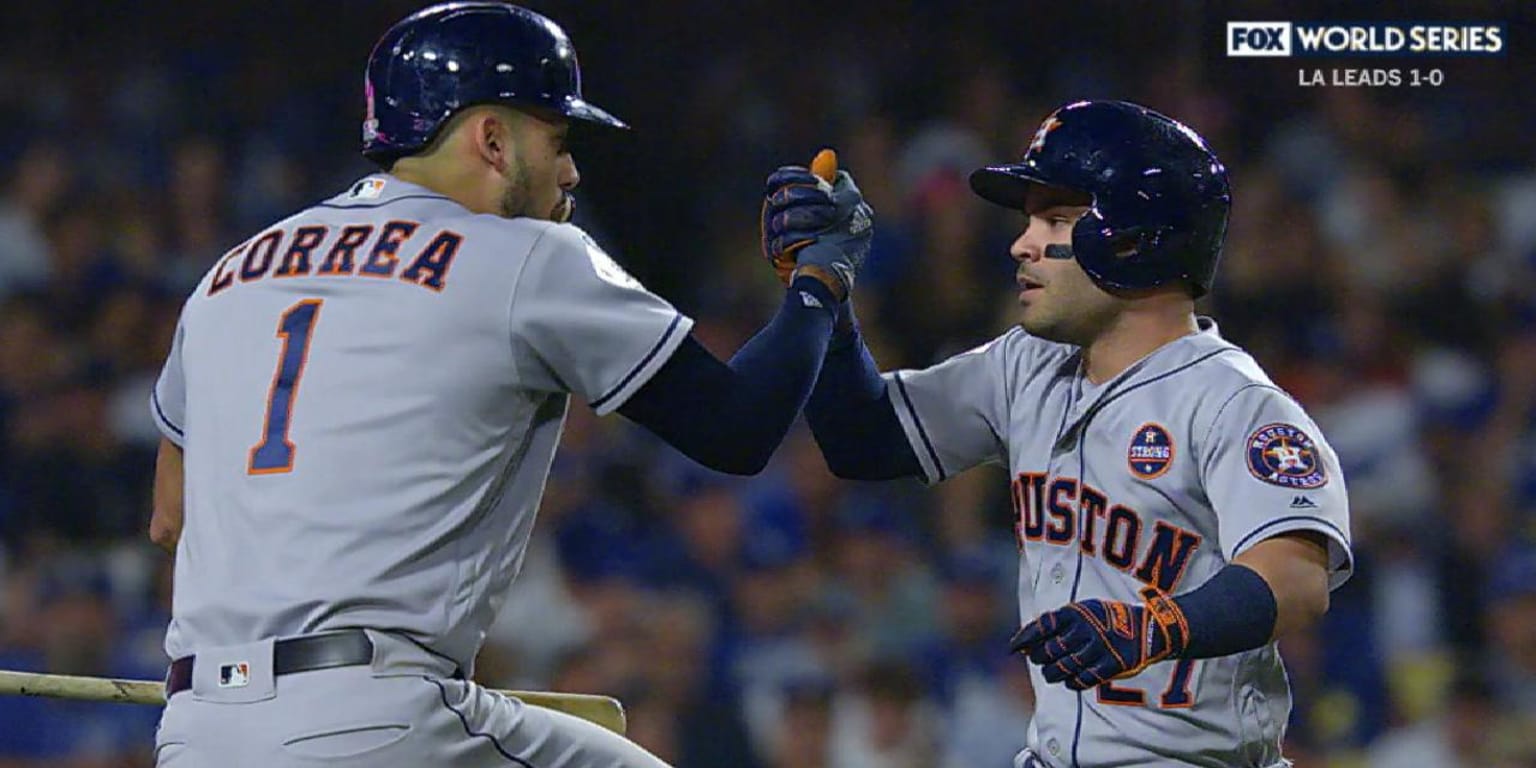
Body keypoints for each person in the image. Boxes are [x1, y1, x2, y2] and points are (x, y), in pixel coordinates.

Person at [146, 3, 871, 766]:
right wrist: (821, 281)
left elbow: (170, 518)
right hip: (377, 717)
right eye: (556, 139)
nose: (571, 171)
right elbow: (737, 428)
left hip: (197, 726)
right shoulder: (525, 255)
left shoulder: (231, 272)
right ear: (491, 138)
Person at [765, 100, 1353, 767]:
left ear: (1133, 236)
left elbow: (1297, 582)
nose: (1022, 243)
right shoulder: (1026, 363)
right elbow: (862, 439)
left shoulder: (1233, 403)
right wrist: (828, 304)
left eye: (1056, 219)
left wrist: (1155, 626)